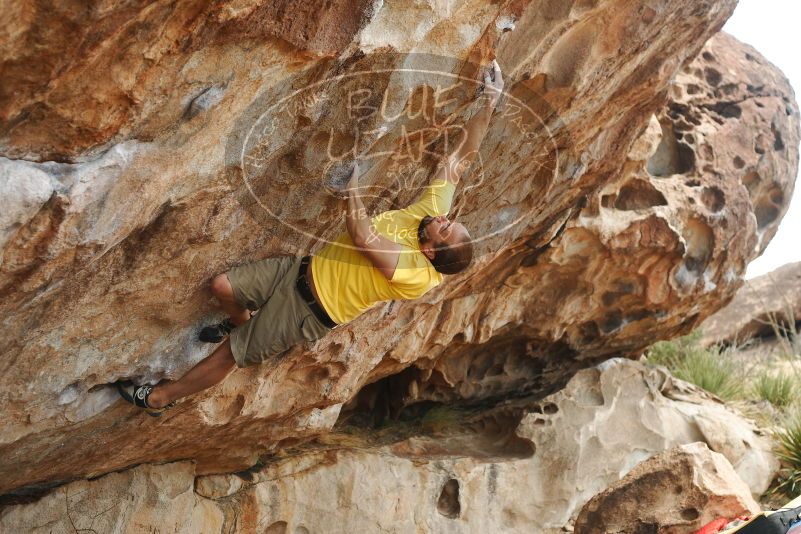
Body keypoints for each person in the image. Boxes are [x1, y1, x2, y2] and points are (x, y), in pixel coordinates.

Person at [117, 60, 505, 415]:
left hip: (307, 311)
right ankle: (240, 319)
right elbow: (459, 161)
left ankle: (158, 398)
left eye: (446, 227)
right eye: (449, 219)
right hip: (299, 270)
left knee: (229, 356)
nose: (443, 217)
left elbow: (363, 236)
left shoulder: (417, 275)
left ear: (429, 250)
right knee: (223, 287)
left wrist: (352, 185)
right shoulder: (428, 218)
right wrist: (489, 103)